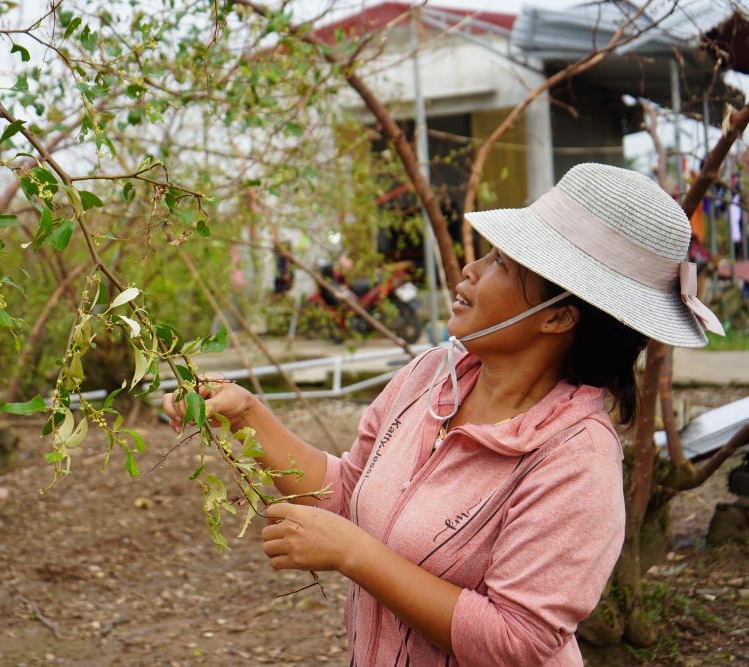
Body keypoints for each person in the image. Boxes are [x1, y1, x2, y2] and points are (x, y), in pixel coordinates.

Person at [164, 164, 724, 666]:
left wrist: (355, 555)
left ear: (558, 319)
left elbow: (519, 641)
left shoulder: (575, 457)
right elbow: (350, 492)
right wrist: (247, 415)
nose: (471, 268)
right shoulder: (431, 374)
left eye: (502, 262)